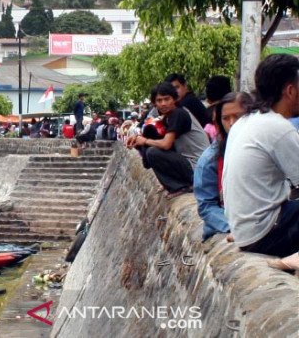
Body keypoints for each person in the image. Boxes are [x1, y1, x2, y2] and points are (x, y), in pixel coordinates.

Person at [222, 54, 299, 271]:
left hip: (246, 232)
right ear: (291, 90)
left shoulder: (245, 121)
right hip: (266, 234)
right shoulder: (277, 127)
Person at [128, 82, 209, 198]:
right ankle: (174, 183)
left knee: (152, 152)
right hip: (193, 166)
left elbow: (166, 144)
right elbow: (151, 131)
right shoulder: (169, 116)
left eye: (167, 99)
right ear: (154, 103)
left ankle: (179, 186)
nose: (163, 104)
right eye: (159, 101)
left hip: (197, 168)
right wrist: (137, 138)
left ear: (174, 99)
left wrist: (144, 141)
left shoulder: (178, 114)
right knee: (151, 145)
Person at [193, 92, 252, 241]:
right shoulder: (209, 159)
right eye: (226, 118)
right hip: (225, 225)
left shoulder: (262, 148)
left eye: (238, 117)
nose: (232, 123)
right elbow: (207, 206)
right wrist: (235, 226)